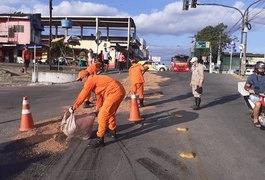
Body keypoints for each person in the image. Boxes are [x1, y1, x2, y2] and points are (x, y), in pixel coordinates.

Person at [69, 70, 125, 148]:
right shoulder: (96, 80)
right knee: (110, 113)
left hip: (114, 92)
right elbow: (99, 96)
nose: (81, 81)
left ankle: (100, 139)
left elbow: (83, 94)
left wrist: (74, 107)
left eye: (81, 79)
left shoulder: (90, 80)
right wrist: (97, 109)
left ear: (85, 76)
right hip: (118, 91)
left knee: (102, 115)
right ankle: (113, 131)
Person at [244, 61, 265, 128]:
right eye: (260, 68)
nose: (262, 69)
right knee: (258, 104)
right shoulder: (252, 77)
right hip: (255, 95)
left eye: (263, 68)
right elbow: (246, 86)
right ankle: (255, 120)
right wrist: (249, 89)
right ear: (256, 69)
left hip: (263, 94)